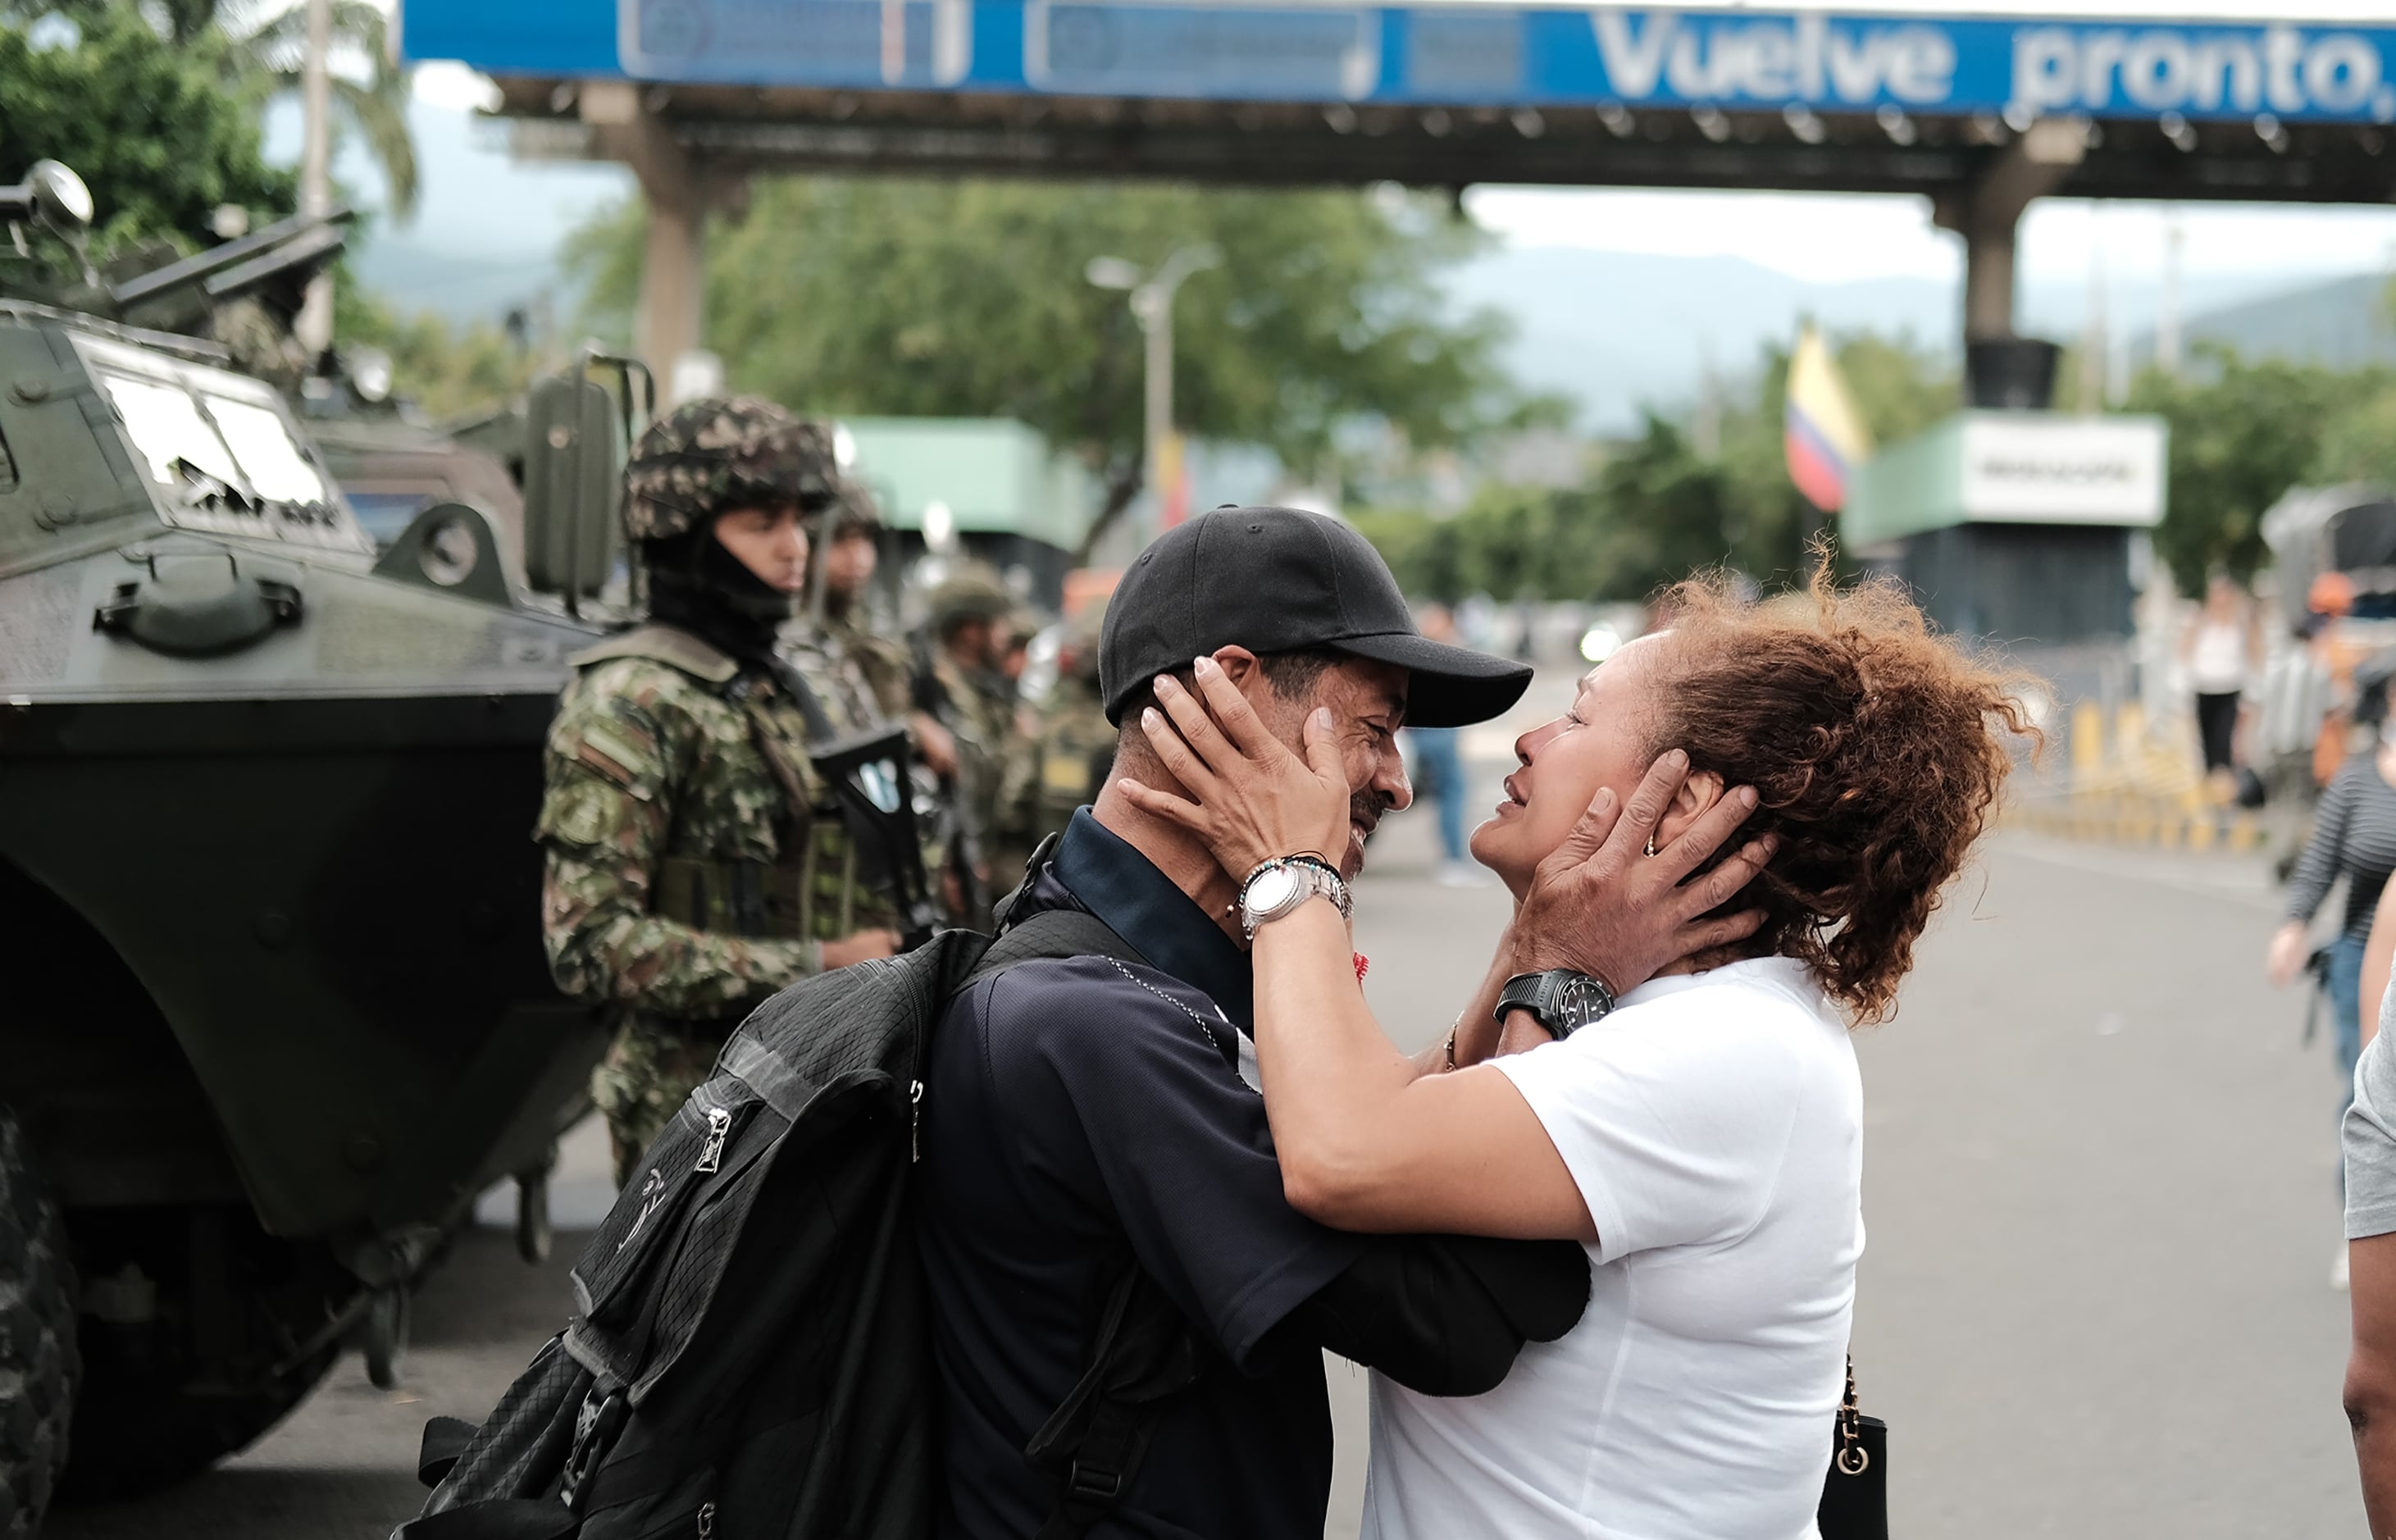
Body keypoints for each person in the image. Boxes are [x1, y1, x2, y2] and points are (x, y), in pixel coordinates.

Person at [1121, 567, 2029, 1537]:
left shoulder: (1724, 1047)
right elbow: (1401, 1110)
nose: (1530, 737)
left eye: (1579, 718)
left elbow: (1342, 1151)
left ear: (1683, 806)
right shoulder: (1666, 1004)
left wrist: (1289, 867)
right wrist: (1543, 953)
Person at [909, 507, 1749, 1539]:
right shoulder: (1094, 1025)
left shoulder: (1128, 962)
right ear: (1233, 690)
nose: (1398, 779)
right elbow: (1475, 1312)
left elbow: (1390, 1137)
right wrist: (1560, 980)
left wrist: (1527, 951)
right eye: (1376, 729)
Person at [536, 396, 902, 1185]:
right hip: (699, 1115)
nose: (795, 547)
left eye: (800, 521)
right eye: (761, 523)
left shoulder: (800, 681)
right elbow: (589, 943)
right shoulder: (632, 700)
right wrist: (818, 962)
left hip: (832, 1079)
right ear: (685, 533)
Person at [2267, 703, 2396, 1270]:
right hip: (2364, 959)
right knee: (2370, 1095)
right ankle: (2366, 1237)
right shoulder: (2358, 781)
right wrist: (2293, 927)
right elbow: (2320, 863)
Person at [916, 569, 1021, 913]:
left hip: (983, 855)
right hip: (950, 867)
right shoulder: (935, 692)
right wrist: (944, 863)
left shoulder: (985, 691)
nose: (1005, 636)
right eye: (997, 624)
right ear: (970, 631)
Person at [1406, 604, 1483, 888]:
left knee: (1449, 793)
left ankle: (1453, 859)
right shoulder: (1430, 654)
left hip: (1432, 734)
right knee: (1453, 792)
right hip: (1436, 735)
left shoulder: (1419, 652)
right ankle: (1452, 859)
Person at [2181, 572, 2257, 789]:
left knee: (2225, 740)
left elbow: (2254, 654)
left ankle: (2224, 788)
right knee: (2207, 741)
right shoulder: (2200, 619)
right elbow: (2185, 651)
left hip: (2230, 687)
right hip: (2204, 686)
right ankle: (2211, 787)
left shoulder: (2239, 621)